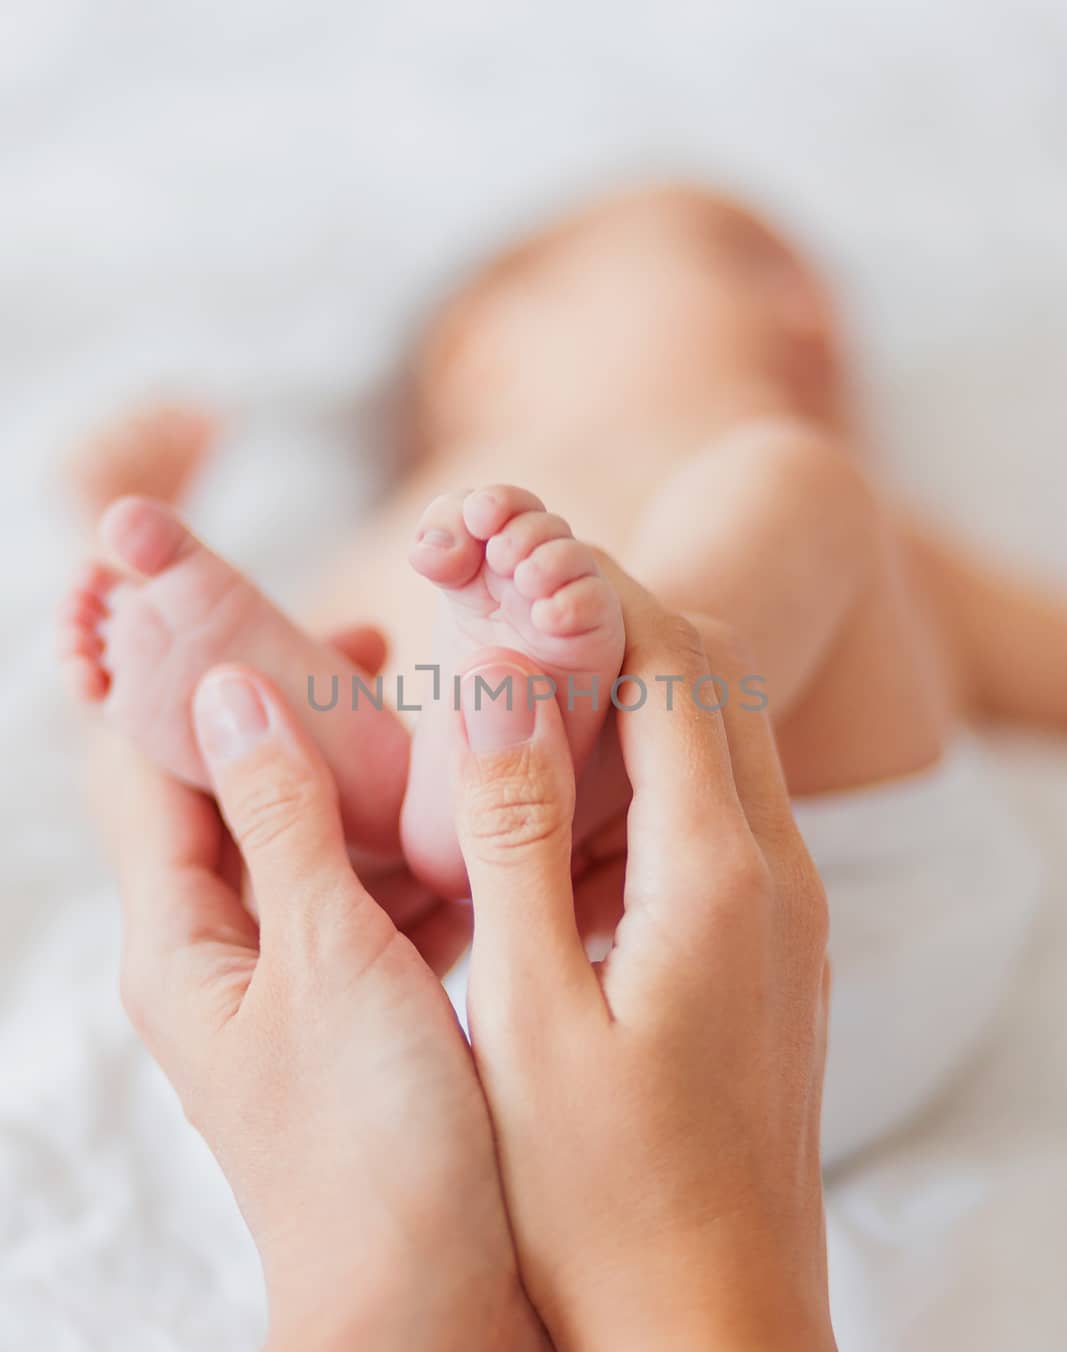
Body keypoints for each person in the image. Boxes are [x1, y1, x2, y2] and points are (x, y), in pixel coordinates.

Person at [59, 183, 1048, 1160]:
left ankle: (584, 755)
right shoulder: (379, 536)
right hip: (433, 1000)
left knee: (797, 484)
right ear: (482, 344)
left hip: (819, 946)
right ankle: (410, 798)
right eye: (745, 264)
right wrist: (166, 542)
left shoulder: (834, 495)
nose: (814, 317)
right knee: (228, 709)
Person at [99, 565, 894, 1352]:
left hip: (501, 1023)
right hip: (761, 1005)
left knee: (200, 713)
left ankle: (398, 785)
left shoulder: (366, 549)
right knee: (777, 488)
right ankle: (503, 755)